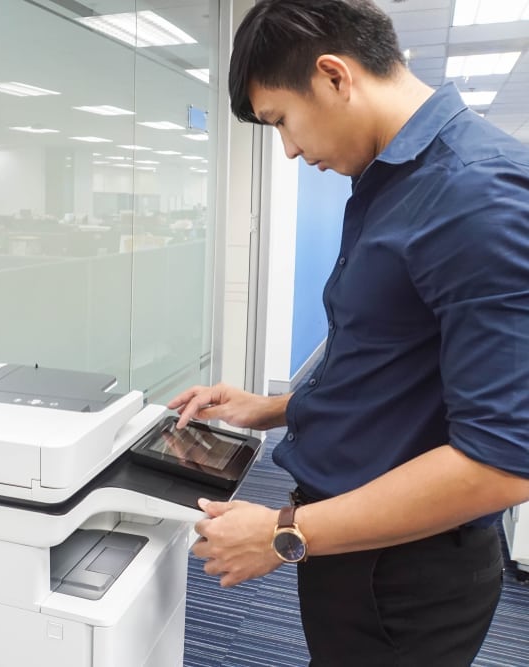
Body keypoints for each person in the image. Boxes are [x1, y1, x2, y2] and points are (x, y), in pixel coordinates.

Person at [167, 1, 529, 665]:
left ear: (335, 76)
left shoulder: (478, 196)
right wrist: (270, 407)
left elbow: (502, 463)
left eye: (282, 121)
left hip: (407, 571)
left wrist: (285, 531)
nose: (292, 149)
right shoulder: (390, 180)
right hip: (349, 542)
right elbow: (392, 365)